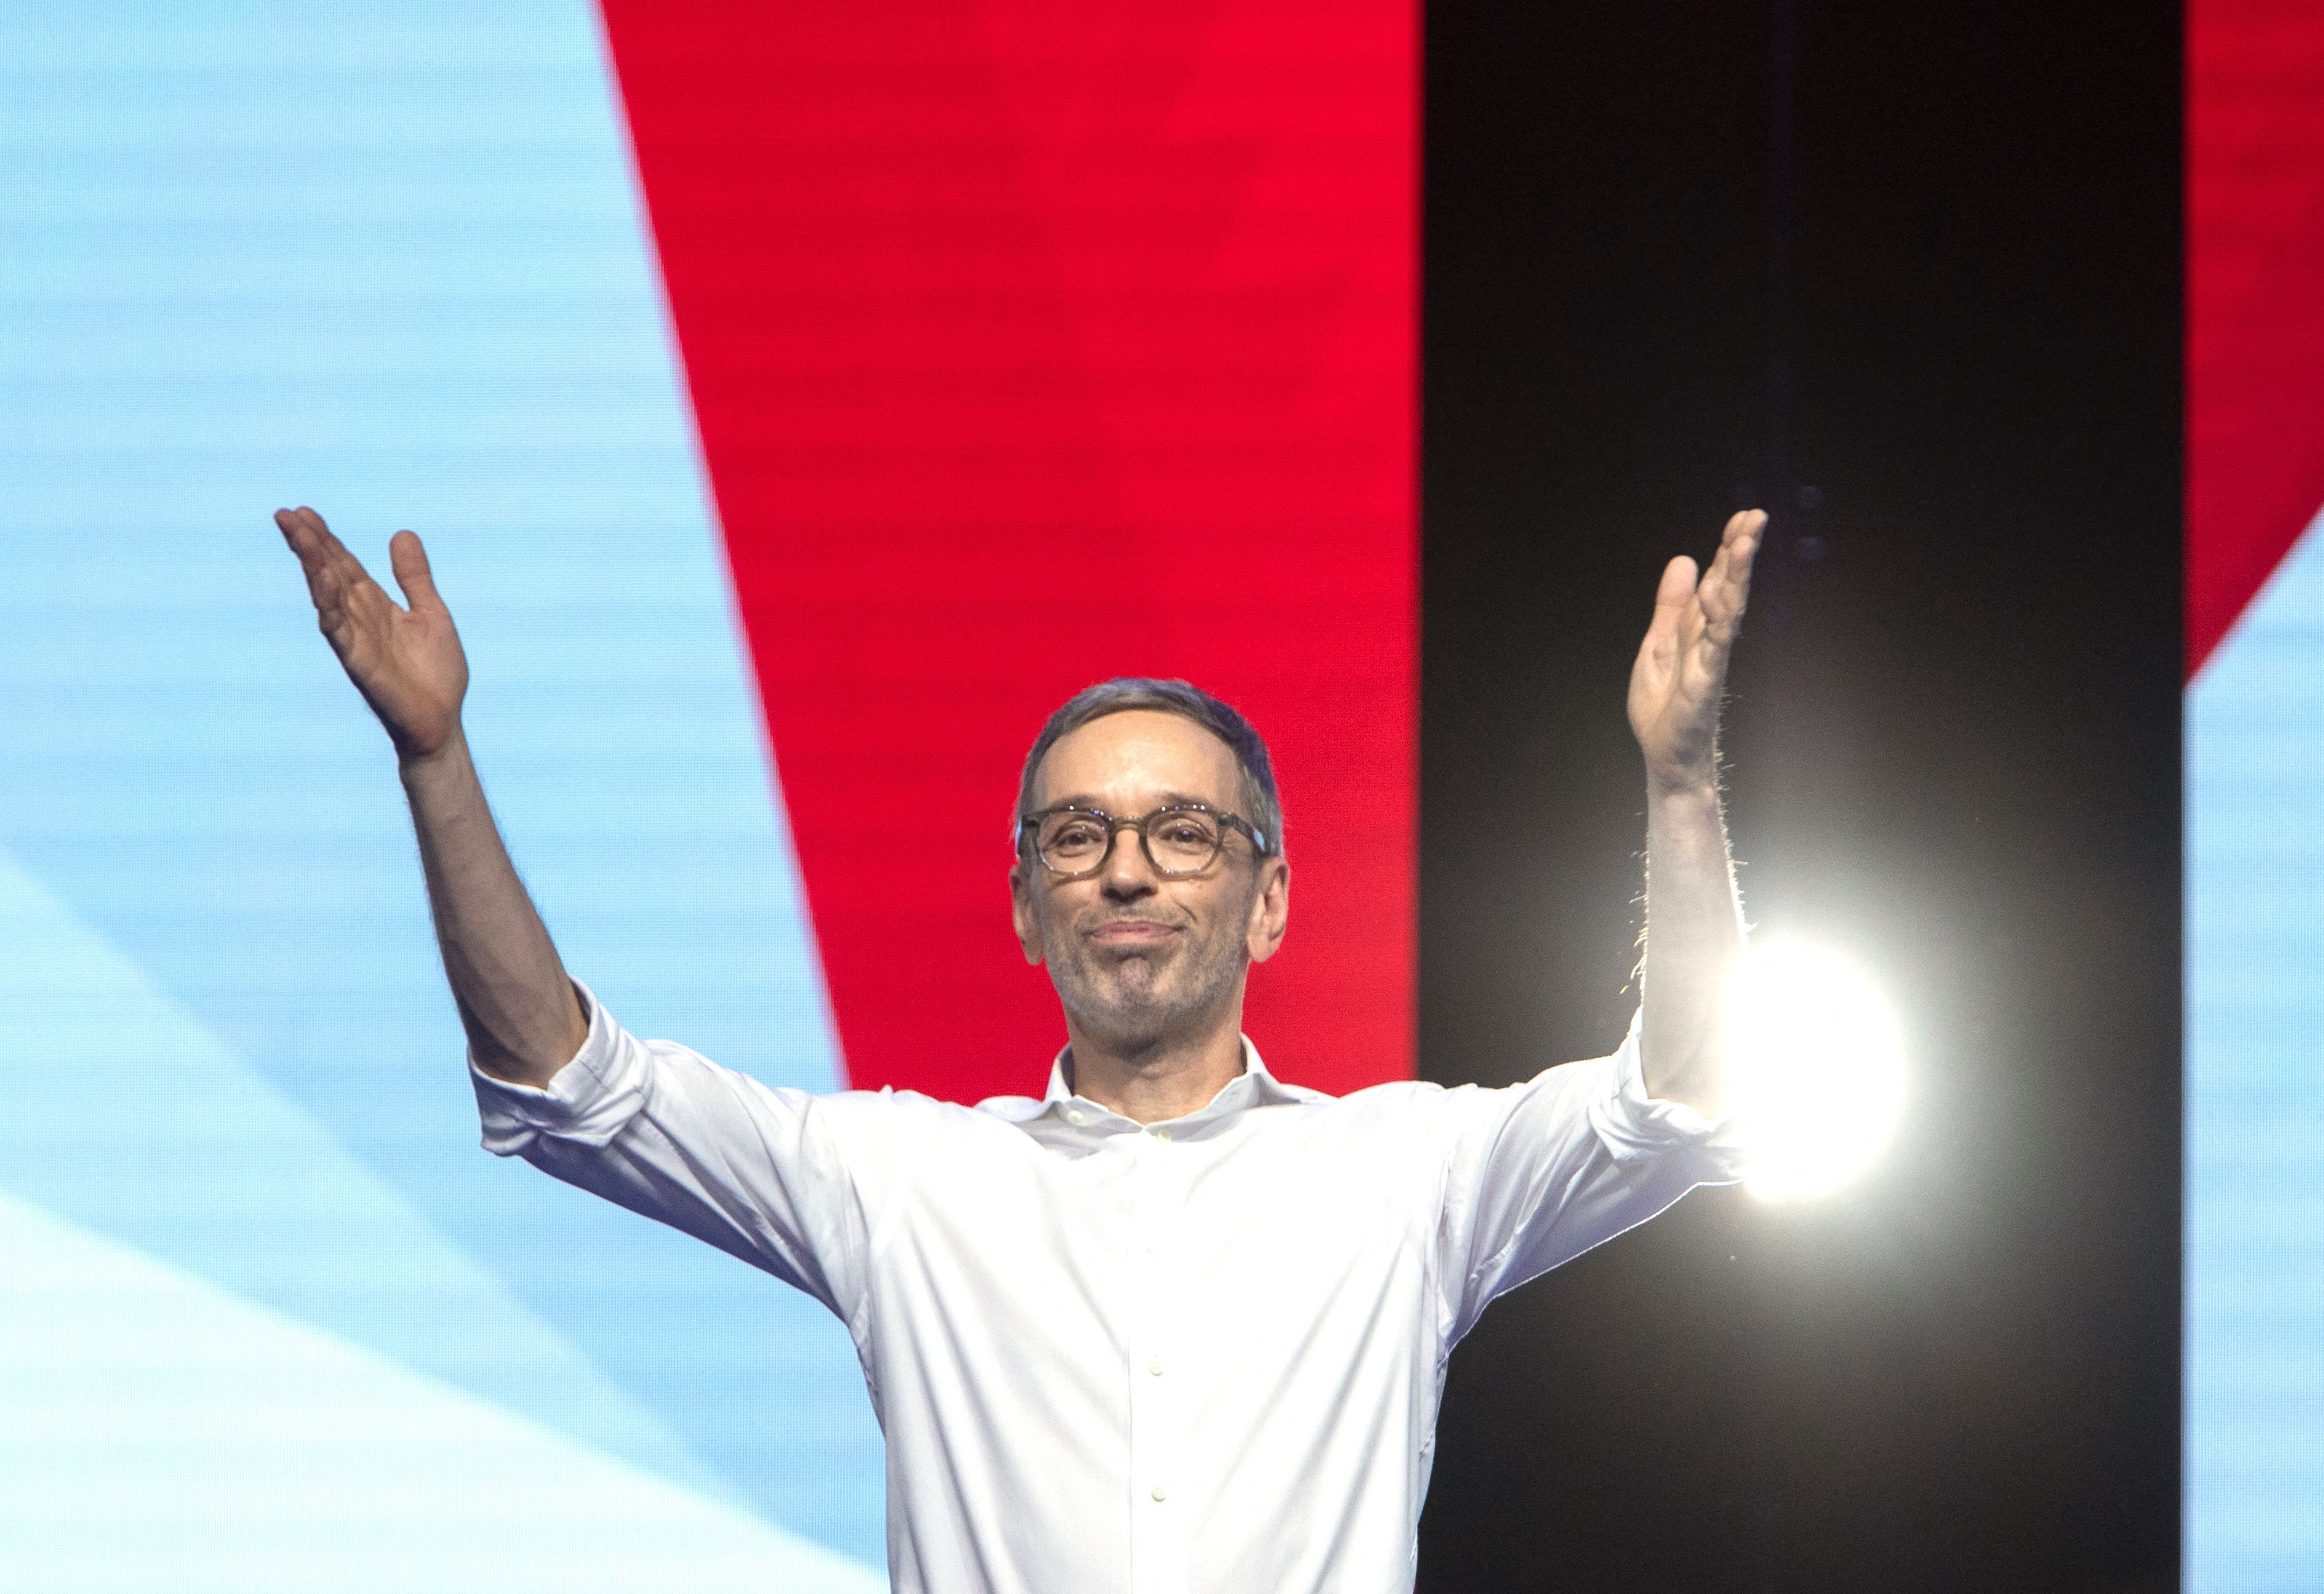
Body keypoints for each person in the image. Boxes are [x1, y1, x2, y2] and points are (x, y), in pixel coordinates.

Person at [275, 503, 1767, 1594]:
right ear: (1022, 908)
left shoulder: (1404, 1176)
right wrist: (433, 756)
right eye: (1076, 837)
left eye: (1180, 833)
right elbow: (563, 1079)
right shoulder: (902, 1184)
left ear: (1269, 903)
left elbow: (1680, 1097)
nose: (1124, 871)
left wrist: (1683, 786)